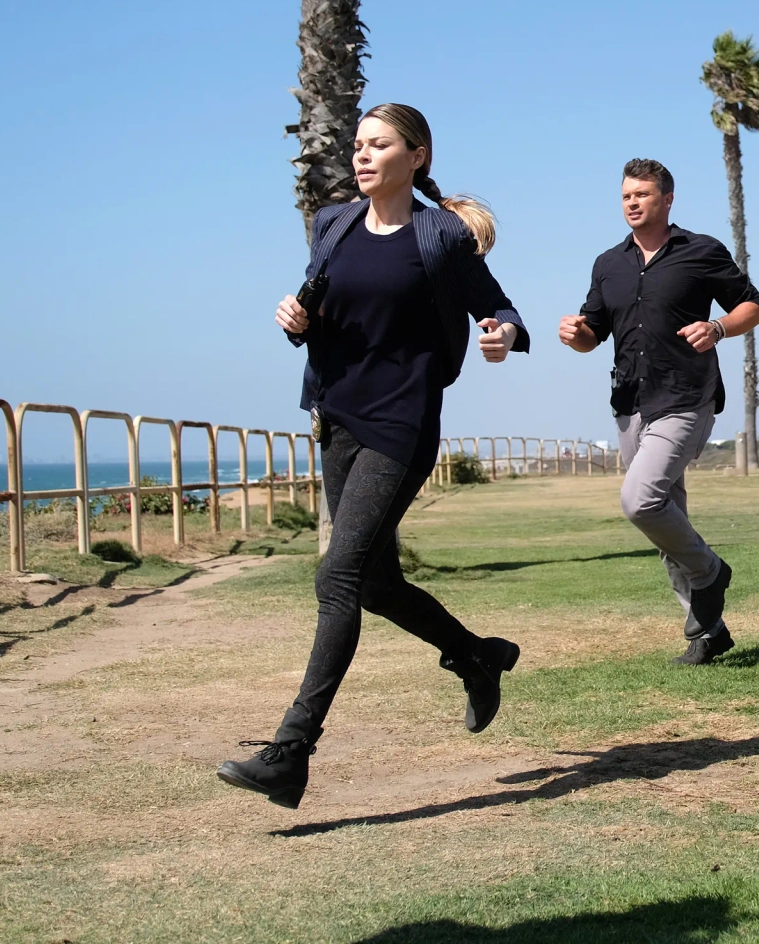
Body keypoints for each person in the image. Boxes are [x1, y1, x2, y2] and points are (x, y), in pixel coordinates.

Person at [219, 104, 530, 810]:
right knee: (375, 585)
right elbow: (319, 308)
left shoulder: (441, 234)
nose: (362, 155)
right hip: (338, 420)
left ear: (415, 156)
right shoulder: (334, 225)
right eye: (358, 144)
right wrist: (296, 318)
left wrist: (502, 337)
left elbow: (502, 310)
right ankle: (477, 656)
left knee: (338, 576)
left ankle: (290, 753)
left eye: (378, 144)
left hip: (402, 422)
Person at [559, 160, 759, 665]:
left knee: (640, 501)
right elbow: (593, 334)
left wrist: (717, 328)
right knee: (665, 520)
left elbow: (753, 306)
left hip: (686, 397)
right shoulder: (608, 263)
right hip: (631, 406)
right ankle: (710, 632)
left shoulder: (700, 251)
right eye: (626, 195)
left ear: (667, 199)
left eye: (643, 194)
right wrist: (575, 335)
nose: (632, 202)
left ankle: (712, 573)